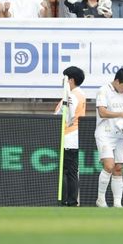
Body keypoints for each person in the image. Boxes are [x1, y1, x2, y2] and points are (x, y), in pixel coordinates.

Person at [95, 67, 123, 208]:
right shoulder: (103, 90)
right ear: (117, 81)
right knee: (109, 165)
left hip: (119, 135)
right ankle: (101, 199)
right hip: (104, 133)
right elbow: (102, 112)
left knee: (118, 167)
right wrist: (121, 114)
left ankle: (117, 203)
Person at [55, 66, 86, 207]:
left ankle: (67, 200)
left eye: (65, 78)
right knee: (72, 171)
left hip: (68, 137)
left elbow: (68, 115)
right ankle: (72, 200)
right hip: (75, 137)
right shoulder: (81, 94)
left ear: (71, 80)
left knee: (66, 171)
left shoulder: (72, 95)